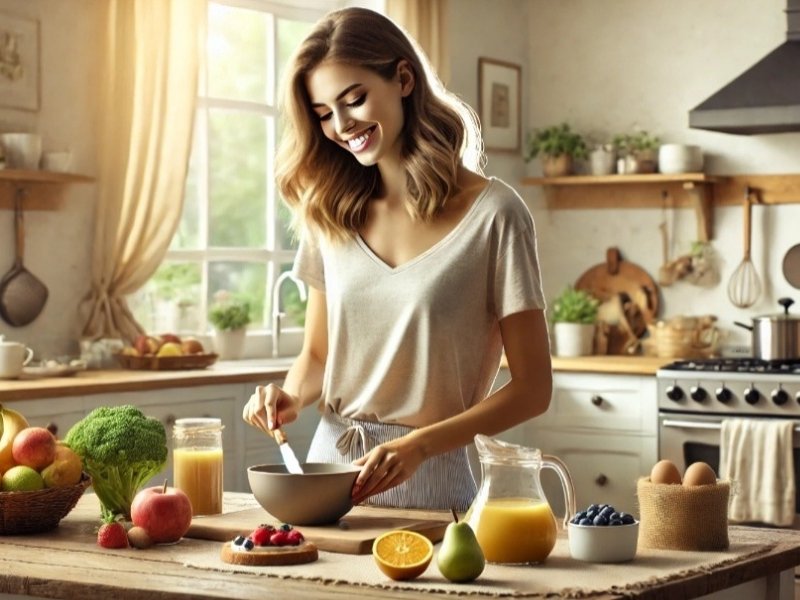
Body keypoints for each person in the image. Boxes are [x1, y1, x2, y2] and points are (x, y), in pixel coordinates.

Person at [242, 6, 552, 511]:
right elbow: (318, 355)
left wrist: (421, 444)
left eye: (354, 99)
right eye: (323, 114)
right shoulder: (328, 212)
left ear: (403, 78)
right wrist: (289, 397)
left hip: (435, 484)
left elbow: (534, 388)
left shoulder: (496, 216)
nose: (342, 126)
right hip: (326, 480)